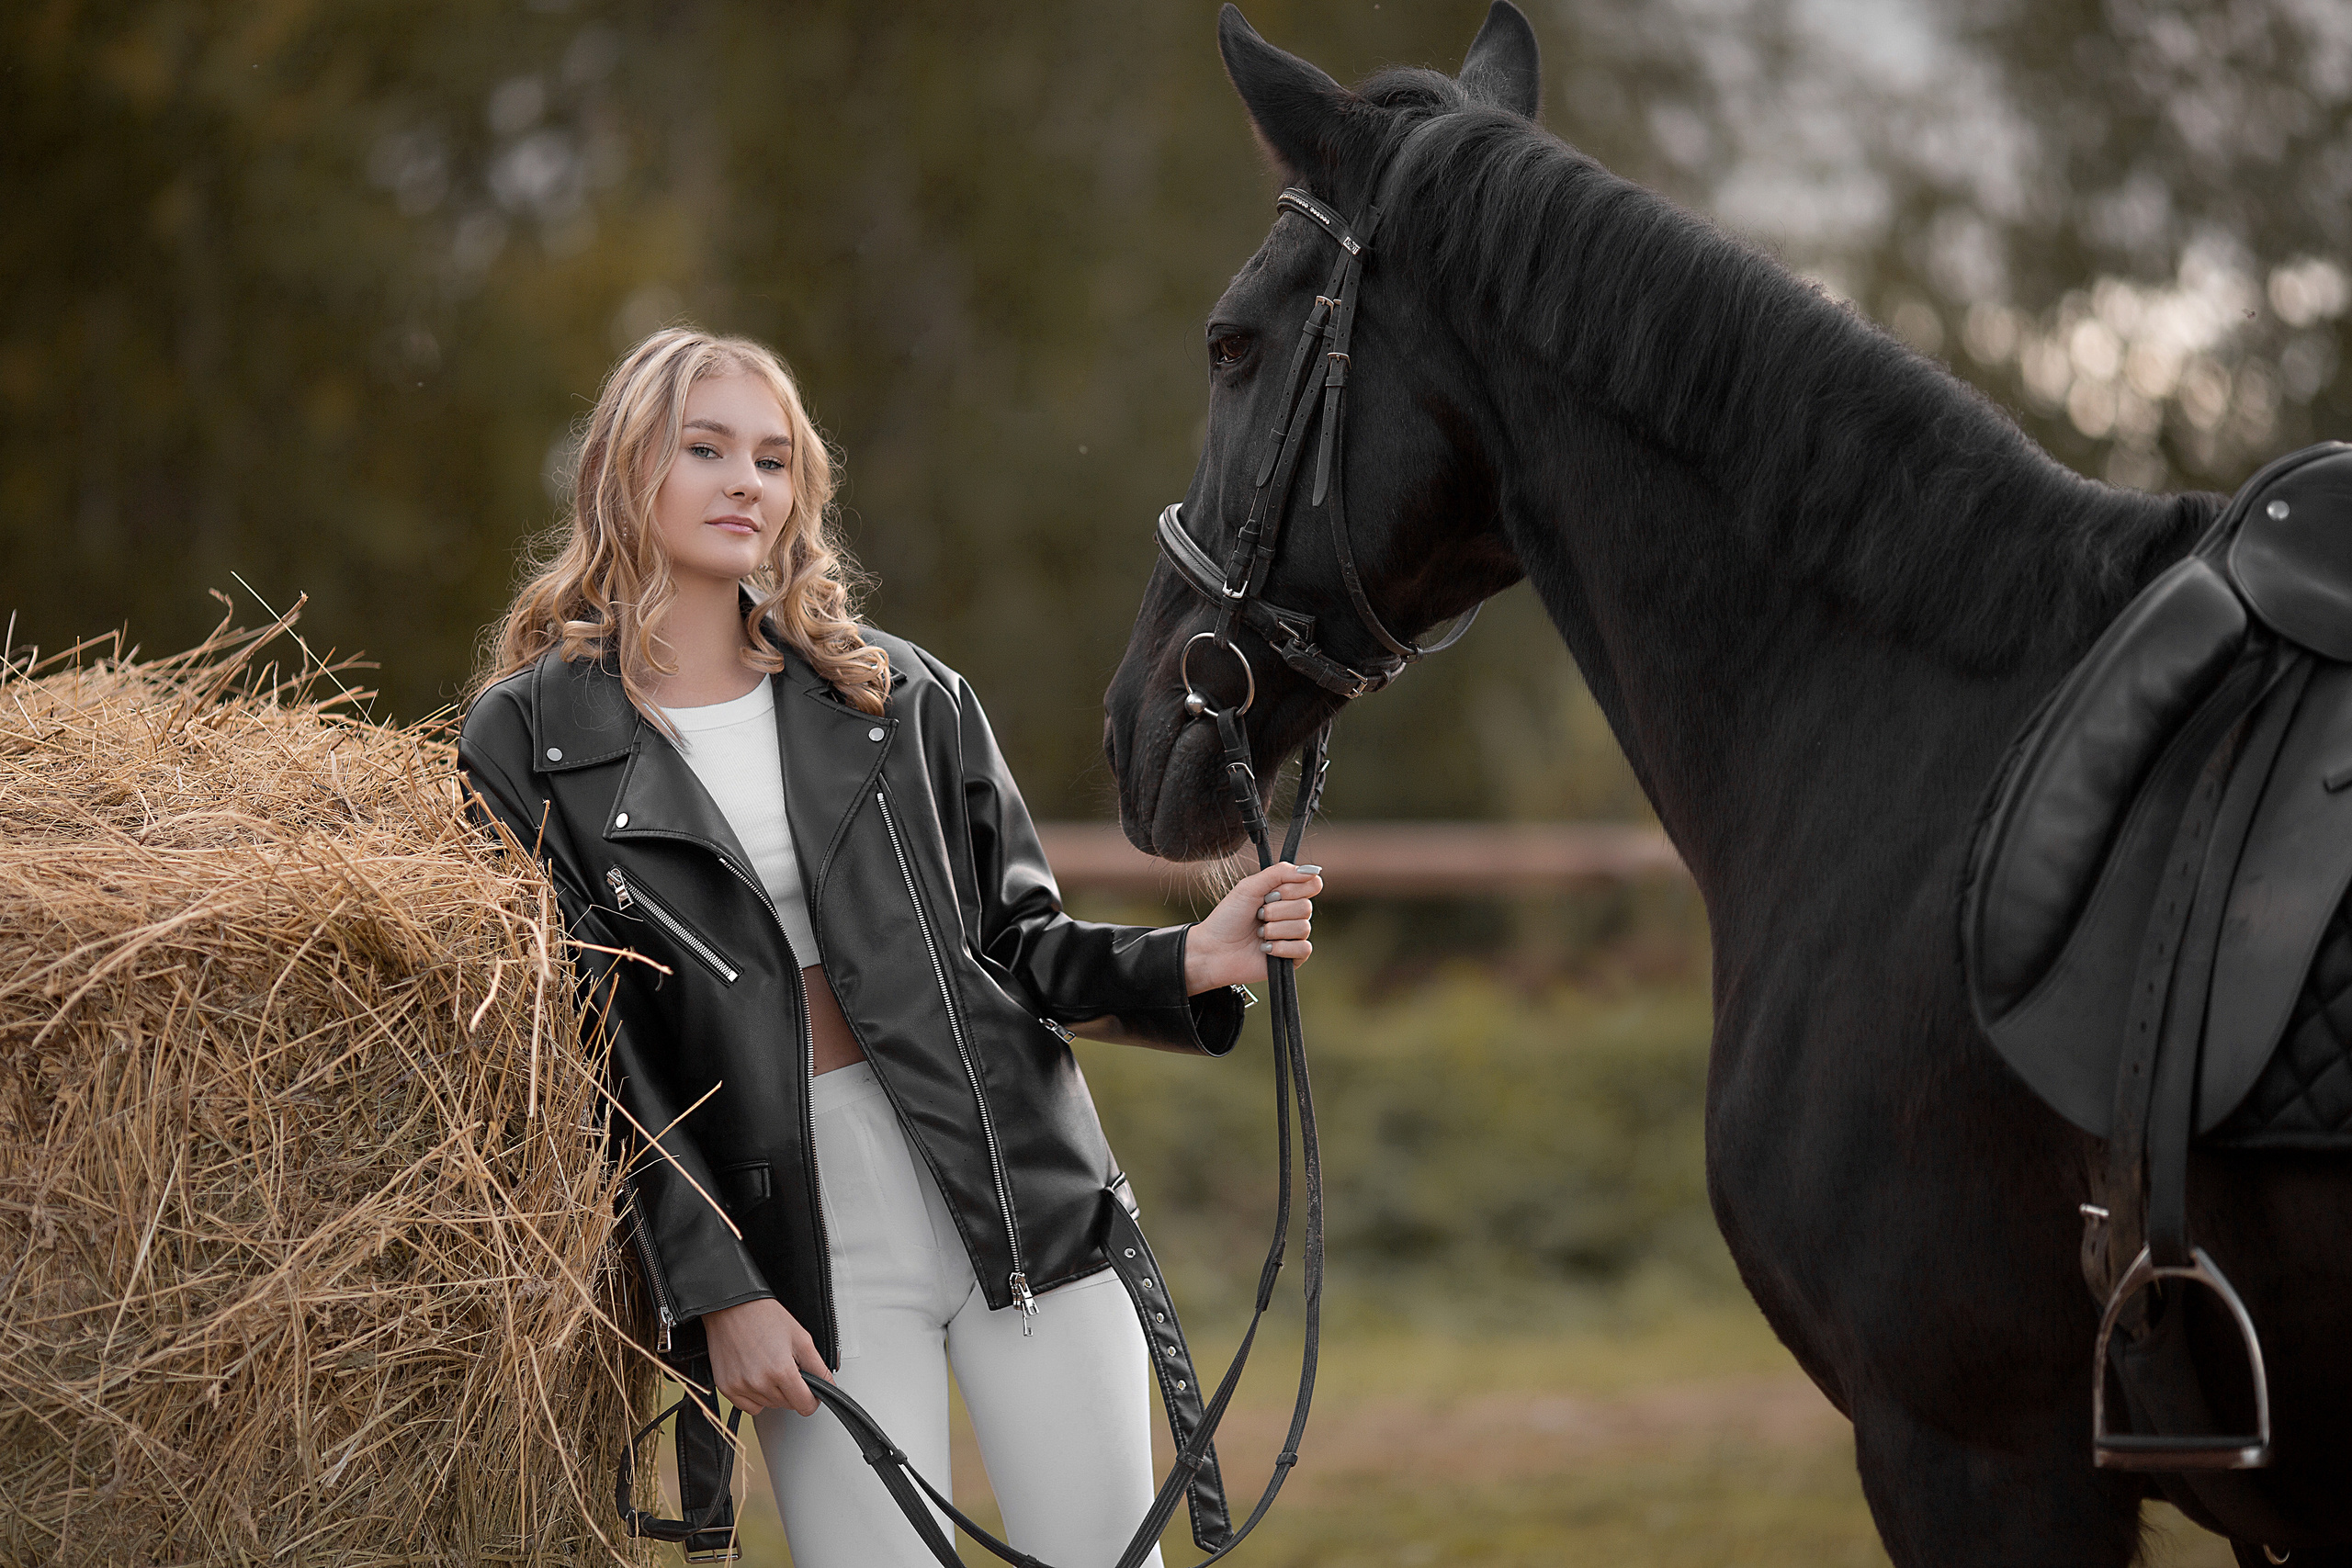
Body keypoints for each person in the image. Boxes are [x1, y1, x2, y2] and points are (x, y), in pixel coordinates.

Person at [457, 327, 1320, 1567]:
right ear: (621, 467)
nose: (745, 482)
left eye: (772, 458)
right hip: (803, 1246)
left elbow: (1016, 943)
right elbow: (598, 1056)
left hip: (1022, 1191)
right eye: (706, 450)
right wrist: (721, 1288)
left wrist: (1188, 960)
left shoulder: (898, 693)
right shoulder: (529, 738)